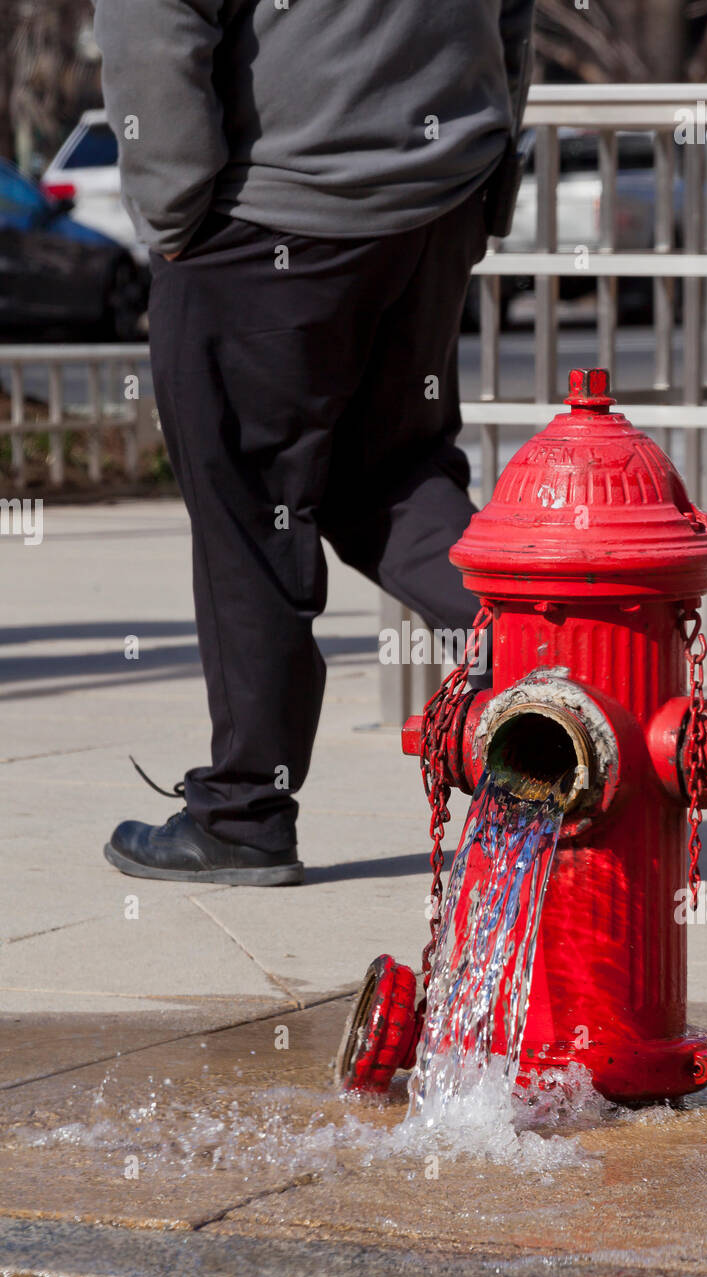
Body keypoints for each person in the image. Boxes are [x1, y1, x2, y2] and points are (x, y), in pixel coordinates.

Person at [95, 0, 535, 886]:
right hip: (436, 195)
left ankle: (244, 812)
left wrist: (176, 217)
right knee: (393, 472)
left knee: (252, 511)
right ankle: (553, 659)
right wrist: (487, 170)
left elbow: (156, 24)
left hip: (275, 212)